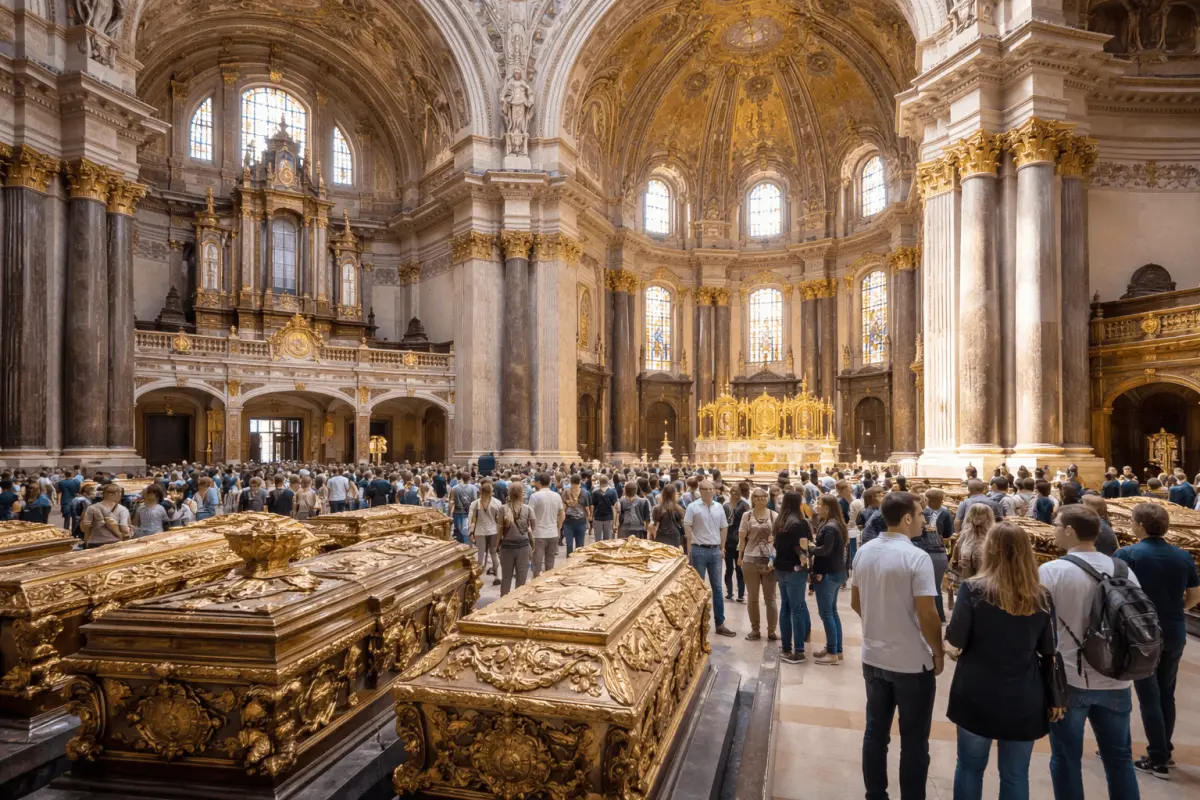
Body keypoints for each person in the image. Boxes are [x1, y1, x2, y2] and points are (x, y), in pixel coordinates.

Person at [947, 522, 1062, 800]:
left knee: (970, 767)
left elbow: (956, 641)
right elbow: (1049, 648)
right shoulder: (1041, 595)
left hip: (977, 690)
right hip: (1024, 694)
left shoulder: (974, 589)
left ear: (990, 550)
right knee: (1014, 774)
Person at [1040, 505, 1141, 800]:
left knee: (1066, 758)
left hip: (1070, 677)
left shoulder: (1051, 571)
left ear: (1070, 530)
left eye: (1056, 524)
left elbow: (1036, 621)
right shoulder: (1124, 570)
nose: (1053, 529)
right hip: (1116, 677)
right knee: (1119, 758)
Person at [851, 492, 944, 800]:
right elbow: (928, 613)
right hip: (911, 663)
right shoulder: (916, 557)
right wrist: (938, 651)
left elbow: (855, 602)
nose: (922, 520)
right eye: (919, 515)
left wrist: (881, 621)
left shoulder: (864, 551)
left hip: (873, 657)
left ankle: (875, 795)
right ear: (906, 518)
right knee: (914, 741)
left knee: (875, 733)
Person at [1114, 502, 1200, 778]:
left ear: (1138, 525)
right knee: (1166, 691)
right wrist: (1178, 610)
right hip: (1174, 629)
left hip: (1142, 632)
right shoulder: (1183, 556)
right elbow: (1194, 596)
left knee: (1148, 694)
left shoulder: (1127, 554)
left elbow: (1117, 594)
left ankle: (1158, 758)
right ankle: (1166, 748)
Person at [684, 479, 736, 638]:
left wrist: (722, 547)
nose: (708, 492)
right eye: (704, 489)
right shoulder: (692, 507)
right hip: (698, 549)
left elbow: (724, 528)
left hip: (714, 551)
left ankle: (720, 623)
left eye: (710, 489)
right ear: (700, 490)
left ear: (714, 490)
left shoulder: (719, 507)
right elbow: (687, 526)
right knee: (698, 588)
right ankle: (698, 622)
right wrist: (689, 549)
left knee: (718, 588)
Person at [773, 491, 812, 663]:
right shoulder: (800, 523)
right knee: (797, 610)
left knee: (785, 608)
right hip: (795, 569)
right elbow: (804, 548)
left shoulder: (779, 522)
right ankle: (799, 651)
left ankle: (786, 647)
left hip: (780, 568)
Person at [737, 487, 777, 642]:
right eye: (757, 497)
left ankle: (772, 630)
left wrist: (775, 558)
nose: (761, 499)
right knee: (753, 597)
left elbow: (777, 540)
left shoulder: (774, 516)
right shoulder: (747, 516)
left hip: (769, 561)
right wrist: (740, 556)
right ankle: (755, 629)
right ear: (753, 499)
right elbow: (742, 538)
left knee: (770, 598)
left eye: (763, 497)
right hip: (750, 559)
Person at [811, 494, 847, 665]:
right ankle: (836, 649)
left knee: (826, 613)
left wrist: (810, 548)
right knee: (832, 612)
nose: (817, 507)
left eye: (819, 504)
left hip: (827, 574)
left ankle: (832, 652)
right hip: (836, 572)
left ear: (827, 507)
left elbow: (825, 551)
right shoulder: (835, 524)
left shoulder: (830, 527)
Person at [918, 490, 952, 623]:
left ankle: (924, 616)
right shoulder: (945, 513)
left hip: (921, 550)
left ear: (926, 499)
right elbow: (947, 535)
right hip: (939, 552)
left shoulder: (920, 513)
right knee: (936, 586)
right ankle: (939, 617)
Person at [497, 482, 534, 595]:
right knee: (521, 578)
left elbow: (499, 531)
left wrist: (497, 546)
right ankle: (517, 602)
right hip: (523, 546)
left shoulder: (503, 509)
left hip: (507, 546)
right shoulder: (527, 509)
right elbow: (533, 527)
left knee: (506, 578)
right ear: (522, 493)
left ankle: (502, 604)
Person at [528, 472, 564, 577]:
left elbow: (530, 515)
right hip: (552, 533)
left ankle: (535, 584)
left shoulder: (535, 496)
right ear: (550, 482)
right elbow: (561, 514)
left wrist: (530, 530)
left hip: (538, 533)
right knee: (550, 562)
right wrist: (558, 527)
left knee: (537, 563)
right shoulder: (557, 496)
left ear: (538, 483)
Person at [468, 479, 503, 582]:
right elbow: (500, 520)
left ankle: (478, 578)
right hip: (493, 531)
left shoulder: (475, 504)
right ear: (491, 491)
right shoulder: (497, 503)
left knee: (481, 555)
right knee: (494, 553)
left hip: (479, 531)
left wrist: (470, 532)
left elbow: (471, 519)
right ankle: (498, 576)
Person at [81, 483, 132, 548]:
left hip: (94, 542)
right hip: (115, 542)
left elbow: (86, 527)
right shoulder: (123, 509)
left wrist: (86, 540)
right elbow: (124, 529)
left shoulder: (92, 508)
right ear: (116, 494)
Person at [723, 483, 748, 603]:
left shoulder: (744, 505)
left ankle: (741, 593)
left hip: (740, 540)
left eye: (737, 491)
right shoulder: (725, 506)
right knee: (729, 568)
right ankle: (729, 591)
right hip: (728, 540)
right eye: (732, 491)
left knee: (739, 568)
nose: (735, 493)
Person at [561, 474, 591, 555]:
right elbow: (587, 509)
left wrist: (588, 521)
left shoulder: (584, 493)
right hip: (574, 522)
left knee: (575, 546)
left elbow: (587, 508)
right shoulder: (567, 492)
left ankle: (573, 563)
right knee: (575, 546)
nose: (574, 488)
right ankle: (573, 563)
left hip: (574, 523)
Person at [648, 483, 685, 549]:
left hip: (661, 536)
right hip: (675, 535)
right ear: (674, 494)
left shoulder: (657, 508)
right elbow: (683, 522)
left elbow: (654, 526)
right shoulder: (678, 508)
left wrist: (653, 536)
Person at [450, 472, 475, 543]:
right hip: (468, 513)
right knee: (467, 531)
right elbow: (474, 502)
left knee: (458, 532)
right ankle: (467, 547)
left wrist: (449, 514)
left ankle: (460, 546)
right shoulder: (473, 488)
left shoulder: (454, 488)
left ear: (461, 478)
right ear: (469, 478)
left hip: (457, 513)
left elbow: (451, 502)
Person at [592, 475, 618, 541]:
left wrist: (592, 517)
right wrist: (614, 523)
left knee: (597, 540)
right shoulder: (612, 493)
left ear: (599, 482)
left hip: (597, 517)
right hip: (609, 518)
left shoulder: (595, 493)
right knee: (607, 540)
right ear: (608, 482)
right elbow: (614, 508)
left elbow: (593, 506)